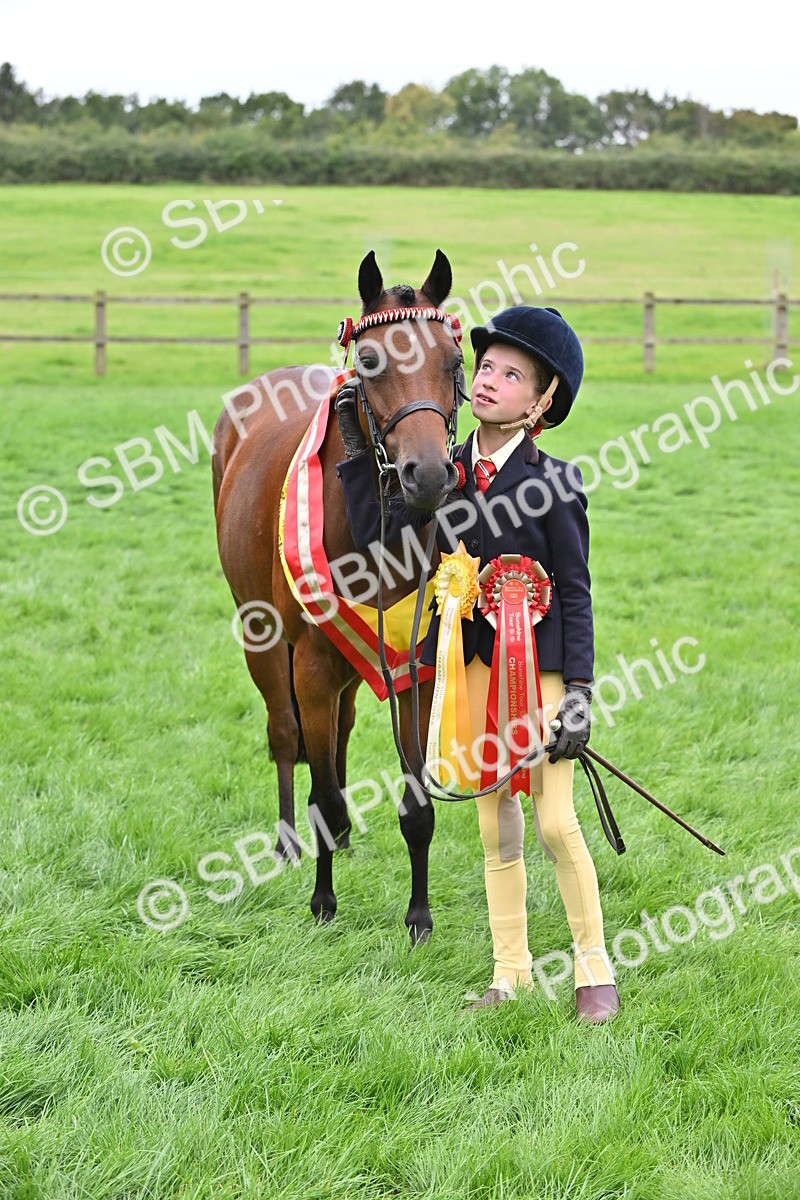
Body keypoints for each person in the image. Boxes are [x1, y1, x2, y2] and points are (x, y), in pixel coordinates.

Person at [335, 306, 619, 1024]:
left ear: (542, 402)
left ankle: (594, 971)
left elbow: (576, 593)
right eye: (486, 367)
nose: (491, 381)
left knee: (555, 823)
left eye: (512, 375)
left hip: (542, 675)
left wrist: (579, 693)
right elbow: (378, 543)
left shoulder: (556, 482)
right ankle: (510, 973)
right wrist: (355, 453)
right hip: (472, 675)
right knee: (497, 829)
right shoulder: (443, 473)